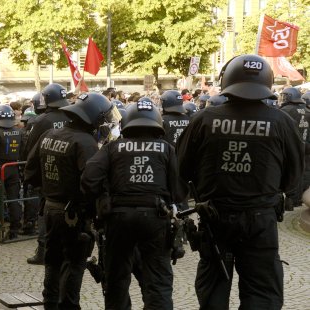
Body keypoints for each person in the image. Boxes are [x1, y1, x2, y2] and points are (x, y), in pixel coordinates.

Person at [176, 54, 304, 310]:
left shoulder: (203, 120)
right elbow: (294, 178)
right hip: (261, 219)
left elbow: (181, 169)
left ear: (227, 80)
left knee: (213, 287)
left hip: (215, 217)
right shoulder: (282, 122)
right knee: (262, 291)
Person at [82, 99, 186, 309]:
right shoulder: (166, 149)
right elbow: (179, 190)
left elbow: (89, 179)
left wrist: (103, 196)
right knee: (158, 281)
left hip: (118, 219)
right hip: (156, 217)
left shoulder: (112, 148)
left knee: (116, 280)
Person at [24, 92, 113, 309]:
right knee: (74, 264)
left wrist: (48, 190)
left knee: (52, 262)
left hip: (50, 209)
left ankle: (50, 304)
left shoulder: (49, 134)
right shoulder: (86, 143)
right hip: (75, 215)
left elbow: (30, 172)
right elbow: (92, 183)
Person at [23, 83, 71, 265]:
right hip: (68, 171)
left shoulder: (41, 120)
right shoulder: (71, 115)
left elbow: (31, 149)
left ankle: (43, 250)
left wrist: (30, 174)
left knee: (45, 210)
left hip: (48, 171)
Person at [0, 105, 23, 239]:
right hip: (14, 168)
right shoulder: (19, 132)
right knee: (14, 199)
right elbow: (23, 152)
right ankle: (14, 230)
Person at [279, 87, 307, 210]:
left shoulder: (286, 110)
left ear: (288, 97)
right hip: (305, 146)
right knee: (301, 172)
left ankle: (290, 201)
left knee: (289, 173)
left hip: (290, 146)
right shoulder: (306, 110)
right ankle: (298, 200)